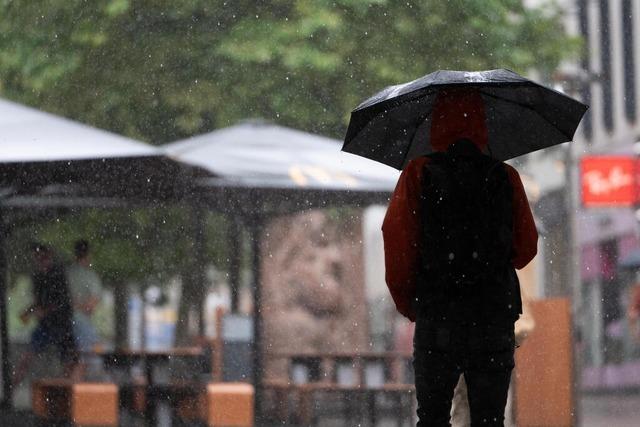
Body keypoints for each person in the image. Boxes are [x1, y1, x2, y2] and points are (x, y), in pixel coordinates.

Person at [382, 89, 538, 426]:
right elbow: (526, 248)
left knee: (433, 417)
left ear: (436, 124)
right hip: (493, 315)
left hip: (438, 315)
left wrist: (411, 303)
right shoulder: (504, 176)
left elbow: (397, 242)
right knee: (489, 418)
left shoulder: (418, 173)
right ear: (482, 124)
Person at [13, 244, 79, 387]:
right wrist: (30, 311)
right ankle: (11, 388)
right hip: (46, 325)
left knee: (69, 361)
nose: (39, 261)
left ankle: (65, 390)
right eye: (37, 258)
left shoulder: (58, 274)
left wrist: (43, 310)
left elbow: (62, 301)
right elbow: (40, 301)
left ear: (49, 256)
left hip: (61, 324)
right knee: (27, 357)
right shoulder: (37, 277)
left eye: (42, 257)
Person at [66, 239, 103, 352]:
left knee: (73, 355)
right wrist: (83, 307)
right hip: (80, 320)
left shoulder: (67, 273)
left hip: (63, 321)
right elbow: (91, 303)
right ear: (88, 254)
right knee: (95, 350)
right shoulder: (89, 276)